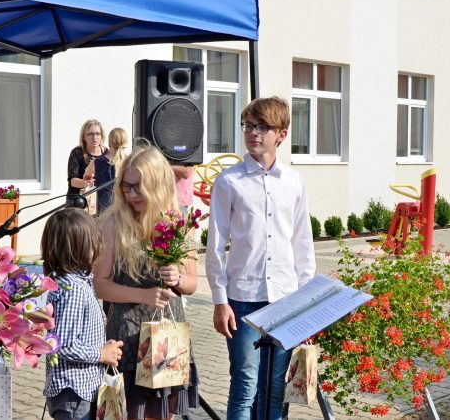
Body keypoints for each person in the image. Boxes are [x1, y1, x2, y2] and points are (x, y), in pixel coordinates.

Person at [205, 97, 316, 420]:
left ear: (281, 134)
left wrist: (307, 304)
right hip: (242, 300)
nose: (253, 133)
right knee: (245, 385)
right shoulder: (229, 181)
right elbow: (216, 245)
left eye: (262, 127)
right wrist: (220, 300)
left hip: (285, 300)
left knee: (274, 388)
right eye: (248, 126)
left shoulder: (293, 182)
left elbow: (302, 244)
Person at [94, 145, 200, 420]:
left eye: (139, 187)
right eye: (126, 186)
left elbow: (192, 284)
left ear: (158, 185)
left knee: (163, 415)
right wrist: (143, 295)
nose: (131, 195)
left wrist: (178, 278)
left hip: (168, 335)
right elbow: (99, 285)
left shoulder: (178, 223)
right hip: (128, 339)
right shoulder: (113, 225)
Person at [42, 208, 124, 420]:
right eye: (95, 242)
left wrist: (103, 346)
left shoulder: (75, 282)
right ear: (81, 247)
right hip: (74, 394)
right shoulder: (73, 289)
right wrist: (101, 354)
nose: (99, 247)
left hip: (79, 392)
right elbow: (62, 345)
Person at [83, 127, 129, 215]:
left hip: (104, 213)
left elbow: (86, 177)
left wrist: (92, 180)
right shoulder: (131, 162)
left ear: (109, 143)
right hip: (126, 212)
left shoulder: (97, 162)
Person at [67, 120, 109, 200]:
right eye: (90, 134)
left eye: (98, 134)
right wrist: (86, 183)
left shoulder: (107, 153)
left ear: (102, 136)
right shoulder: (77, 152)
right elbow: (73, 181)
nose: (94, 137)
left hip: (101, 200)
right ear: (84, 137)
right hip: (78, 200)